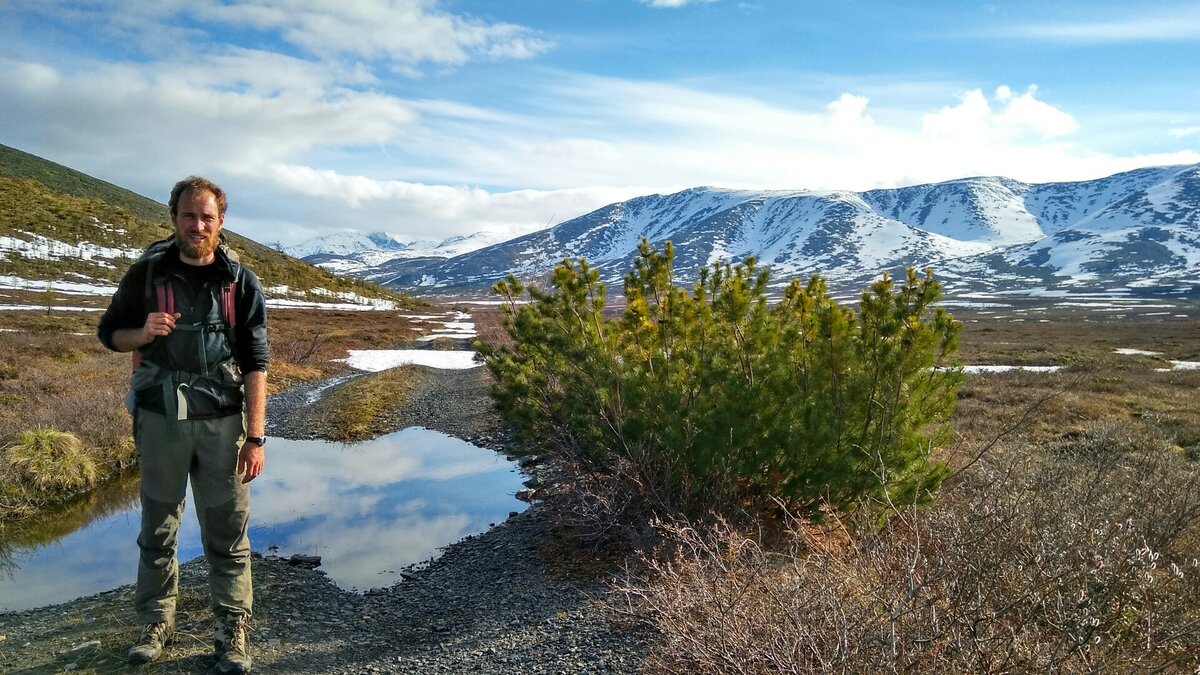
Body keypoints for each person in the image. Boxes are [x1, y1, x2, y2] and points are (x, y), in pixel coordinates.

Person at [98, 176, 269, 674]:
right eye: (189, 215)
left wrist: (256, 437)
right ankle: (155, 622)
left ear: (221, 221)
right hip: (160, 421)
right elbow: (110, 334)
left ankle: (232, 627)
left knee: (227, 531)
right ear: (173, 218)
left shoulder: (241, 280)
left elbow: (257, 360)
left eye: (207, 216)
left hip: (222, 425)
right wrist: (142, 331)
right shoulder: (146, 274)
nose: (198, 225)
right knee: (158, 526)